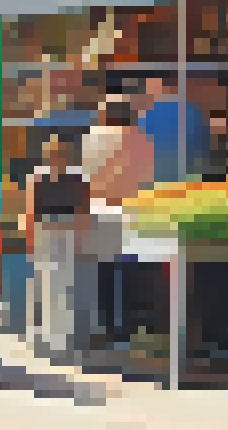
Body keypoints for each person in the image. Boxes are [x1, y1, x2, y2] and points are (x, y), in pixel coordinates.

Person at [81, 94, 154, 352]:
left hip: (100, 210)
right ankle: (129, 327)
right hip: (134, 210)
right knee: (131, 271)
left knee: (104, 272)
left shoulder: (92, 138)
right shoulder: (143, 139)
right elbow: (149, 176)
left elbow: (86, 176)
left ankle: (108, 327)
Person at [24, 133, 91, 362]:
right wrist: (31, 240)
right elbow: (31, 212)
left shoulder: (78, 179)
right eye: (53, 153)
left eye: (60, 153)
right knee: (46, 287)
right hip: (47, 235)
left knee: (65, 288)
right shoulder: (37, 178)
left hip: (67, 236)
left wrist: (81, 238)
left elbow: (83, 212)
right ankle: (48, 338)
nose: (57, 157)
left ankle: (62, 340)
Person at [137, 75, 209, 185]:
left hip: (169, 160)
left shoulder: (152, 111)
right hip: (176, 161)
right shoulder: (185, 107)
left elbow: (144, 137)